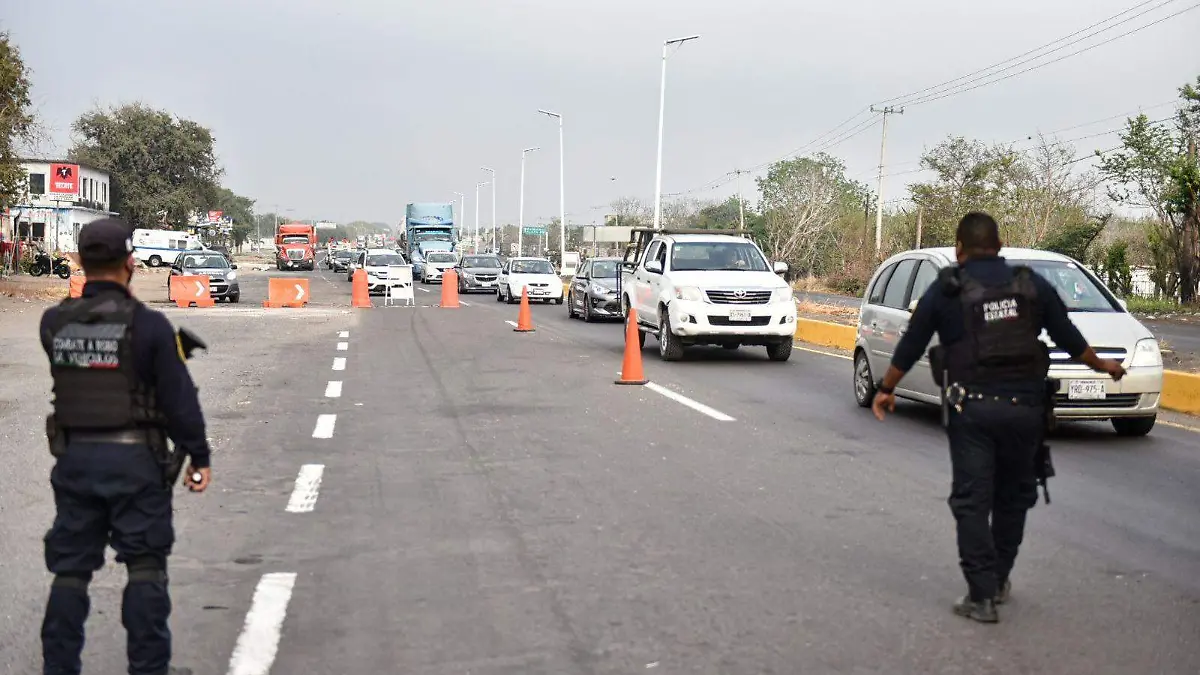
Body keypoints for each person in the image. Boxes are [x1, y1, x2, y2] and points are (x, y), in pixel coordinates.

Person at [871, 211, 1125, 623]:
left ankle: (981, 596)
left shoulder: (947, 288)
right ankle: (1000, 579)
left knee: (972, 500)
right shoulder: (1030, 285)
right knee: (1013, 498)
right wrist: (1106, 367)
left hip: (971, 410)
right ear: (1000, 246)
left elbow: (912, 342)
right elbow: (1070, 340)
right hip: (1026, 411)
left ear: (958, 249)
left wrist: (886, 389)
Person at [39, 217, 211, 675]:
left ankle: (59, 667)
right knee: (145, 569)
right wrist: (200, 455)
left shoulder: (53, 323)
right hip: (136, 464)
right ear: (131, 264)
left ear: (79, 262)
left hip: (75, 461)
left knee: (71, 571)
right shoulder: (150, 327)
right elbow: (180, 400)